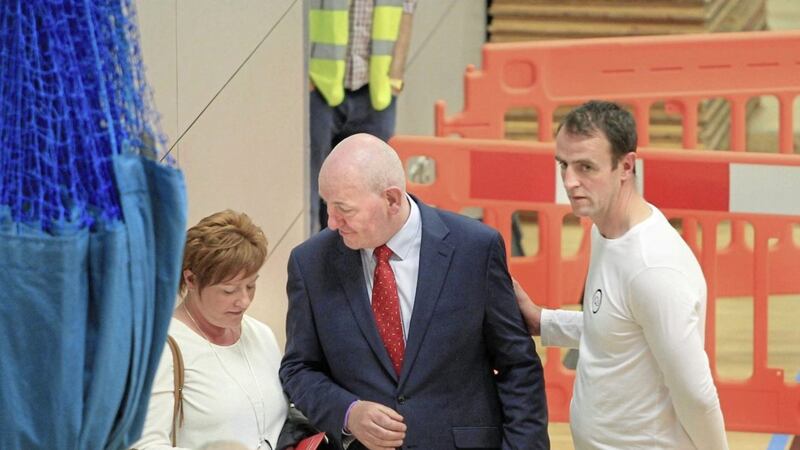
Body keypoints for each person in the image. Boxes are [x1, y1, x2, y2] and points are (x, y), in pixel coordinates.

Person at [280, 133, 550, 450]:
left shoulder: (475, 248)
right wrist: (348, 413)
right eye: (328, 206)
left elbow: (517, 366)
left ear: (392, 200)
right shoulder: (310, 262)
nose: (333, 222)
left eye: (344, 209)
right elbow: (298, 369)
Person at [514, 101, 729, 449]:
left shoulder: (654, 269)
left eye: (586, 167)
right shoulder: (605, 231)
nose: (570, 181)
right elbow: (620, 330)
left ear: (625, 166)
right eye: (563, 165)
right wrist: (544, 322)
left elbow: (697, 394)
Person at [132, 210, 288, 450]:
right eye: (229, 290)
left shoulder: (261, 335)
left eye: (251, 285)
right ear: (191, 280)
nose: (244, 301)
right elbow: (145, 445)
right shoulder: (163, 347)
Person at [308, 0, 416, 233]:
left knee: (371, 188)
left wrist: (395, 78)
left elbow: (406, 13)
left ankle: (360, 262)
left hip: (376, 92)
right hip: (320, 88)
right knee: (313, 184)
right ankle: (313, 261)